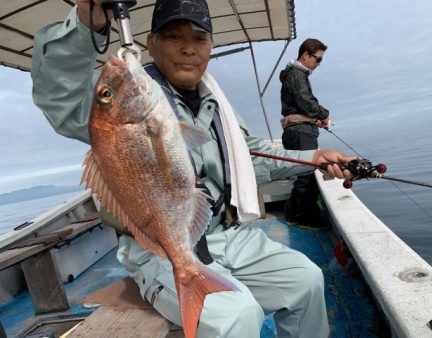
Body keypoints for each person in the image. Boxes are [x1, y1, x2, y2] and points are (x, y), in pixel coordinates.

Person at [31, 1, 354, 337]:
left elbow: (249, 156)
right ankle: (185, 278)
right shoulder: (117, 118)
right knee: (237, 315)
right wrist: (87, 23)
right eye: (173, 37)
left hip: (229, 234)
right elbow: (60, 96)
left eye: (199, 39)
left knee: (307, 280)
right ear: (151, 45)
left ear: (210, 47)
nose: (188, 48)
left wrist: (313, 159)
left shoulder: (217, 105)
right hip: (160, 249)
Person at [280, 38, 331, 228]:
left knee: (302, 174)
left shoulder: (293, 75)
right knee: (307, 176)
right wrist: (324, 114)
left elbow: (300, 106)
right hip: (300, 133)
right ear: (305, 55)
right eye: (318, 59)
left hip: (296, 131)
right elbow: (305, 101)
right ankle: (306, 219)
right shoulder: (297, 74)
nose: (318, 64)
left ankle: (292, 215)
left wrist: (314, 119)